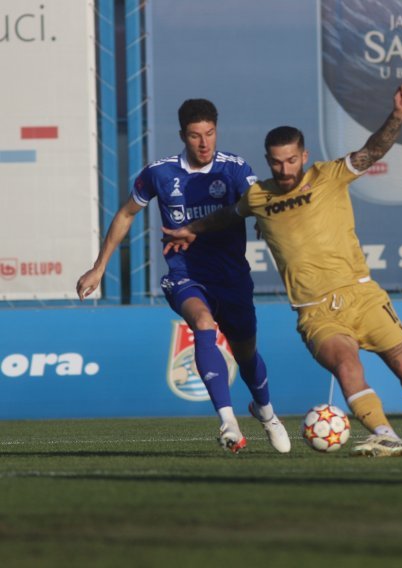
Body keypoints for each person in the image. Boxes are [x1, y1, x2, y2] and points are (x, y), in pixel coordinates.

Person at [162, 84, 402, 457]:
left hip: (362, 295)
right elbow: (226, 215)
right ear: (268, 160)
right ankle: (387, 434)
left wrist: (397, 116)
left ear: (304, 155)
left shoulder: (330, 176)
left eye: (291, 160)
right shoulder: (258, 198)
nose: (285, 169)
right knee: (347, 366)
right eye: (276, 162)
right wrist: (192, 229)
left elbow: (374, 150)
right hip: (315, 311)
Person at [76, 98, 291, 455]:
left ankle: (266, 412)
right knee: (203, 323)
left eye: (209, 133)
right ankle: (228, 421)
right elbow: (127, 214)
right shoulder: (160, 173)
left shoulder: (234, 169)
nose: (204, 143)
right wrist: (99, 266)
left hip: (233, 278)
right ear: (183, 136)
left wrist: (262, 223)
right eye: (195, 136)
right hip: (186, 274)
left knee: (246, 353)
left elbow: (259, 201)